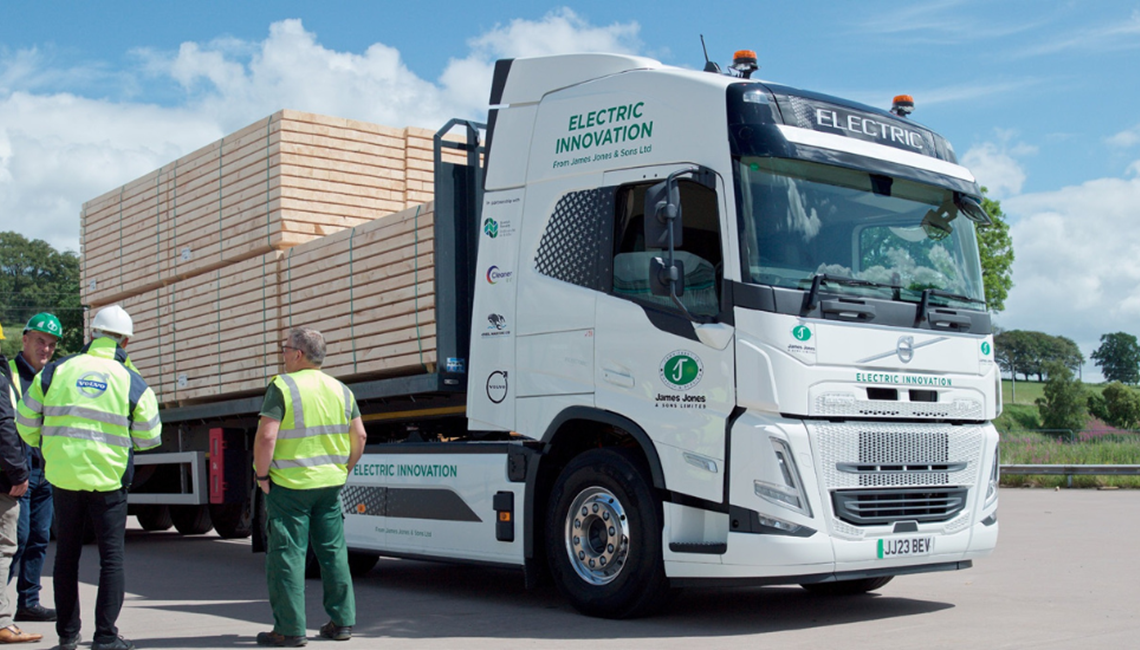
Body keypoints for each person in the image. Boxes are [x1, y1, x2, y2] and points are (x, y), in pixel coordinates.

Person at [16, 305, 162, 650]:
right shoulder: (130, 377)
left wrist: (48, 445)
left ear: (92, 334)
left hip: (63, 477)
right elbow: (150, 435)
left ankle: (67, 638)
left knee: (66, 556)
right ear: (124, 340)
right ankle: (105, 638)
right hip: (109, 481)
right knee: (111, 559)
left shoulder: (57, 370)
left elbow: (25, 420)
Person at [254, 327, 367, 647]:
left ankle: (289, 630)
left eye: (285, 348)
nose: (283, 354)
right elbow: (359, 436)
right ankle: (342, 622)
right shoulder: (341, 390)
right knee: (333, 552)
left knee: (287, 555)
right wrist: (345, 468)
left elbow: (266, 437)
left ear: (298, 354)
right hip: (329, 485)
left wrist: (262, 477)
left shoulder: (282, 386)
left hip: (290, 487)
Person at [7, 313, 63, 624]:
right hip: (19, 470)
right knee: (17, 538)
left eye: (51, 345)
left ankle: (28, 601)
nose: (45, 349)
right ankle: (2, 606)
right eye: (40, 341)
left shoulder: (52, 377)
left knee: (40, 537)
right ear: (25, 338)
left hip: (46, 469)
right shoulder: (8, 374)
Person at [0, 325, 40, 644]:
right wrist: (18, 472)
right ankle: (2, 620)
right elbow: (4, 426)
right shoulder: (2, 376)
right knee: (5, 548)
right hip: (5, 479)